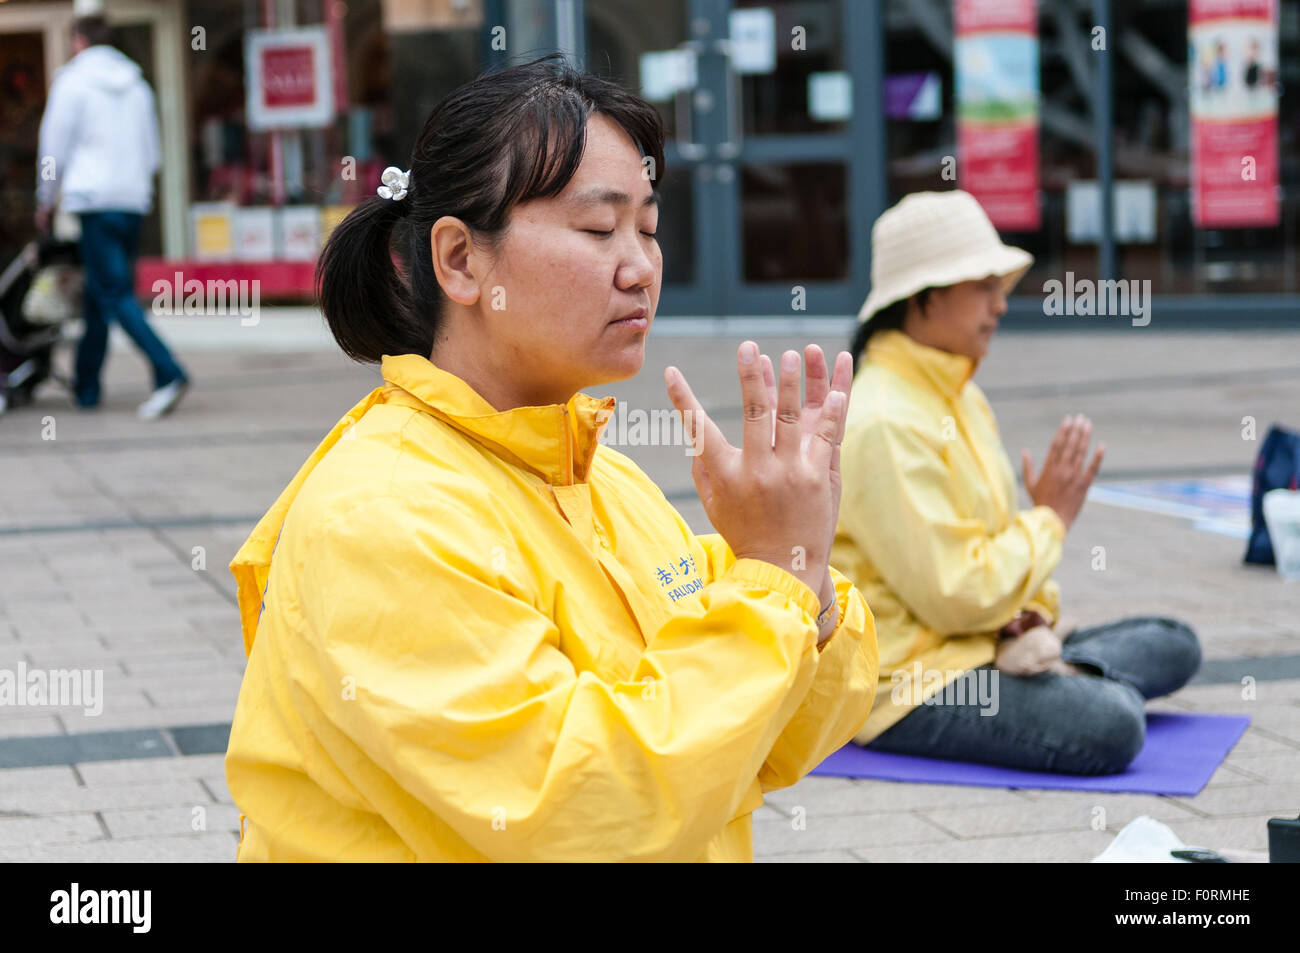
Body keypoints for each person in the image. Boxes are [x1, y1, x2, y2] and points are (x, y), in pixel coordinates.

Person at [224, 56, 878, 862]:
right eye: (600, 229)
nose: (640, 267)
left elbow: (765, 743)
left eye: (649, 227)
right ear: (461, 260)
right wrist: (771, 574)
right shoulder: (385, 515)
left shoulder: (602, 477)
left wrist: (798, 577)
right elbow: (579, 812)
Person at [833, 190, 1200, 775]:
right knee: (1113, 724)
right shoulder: (881, 420)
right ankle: (1066, 682)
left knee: (1174, 641)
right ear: (922, 297)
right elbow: (958, 595)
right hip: (912, 681)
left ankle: (1058, 674)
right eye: (983, 286)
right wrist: (1049, 521)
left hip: (983, 645)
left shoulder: (959, 393)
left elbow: (984, 573)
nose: (1000, 305)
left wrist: (1027, 616)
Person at [35, 15, 189, 419]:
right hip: (131, 200)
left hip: (94, 202)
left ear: (79, 42)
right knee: (98, 294)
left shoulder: (73, 81)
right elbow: (151, 150)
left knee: (114, 293)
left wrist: (45, 199)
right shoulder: (137, 85)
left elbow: (54, 147)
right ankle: (87, 387)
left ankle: (168, 371)